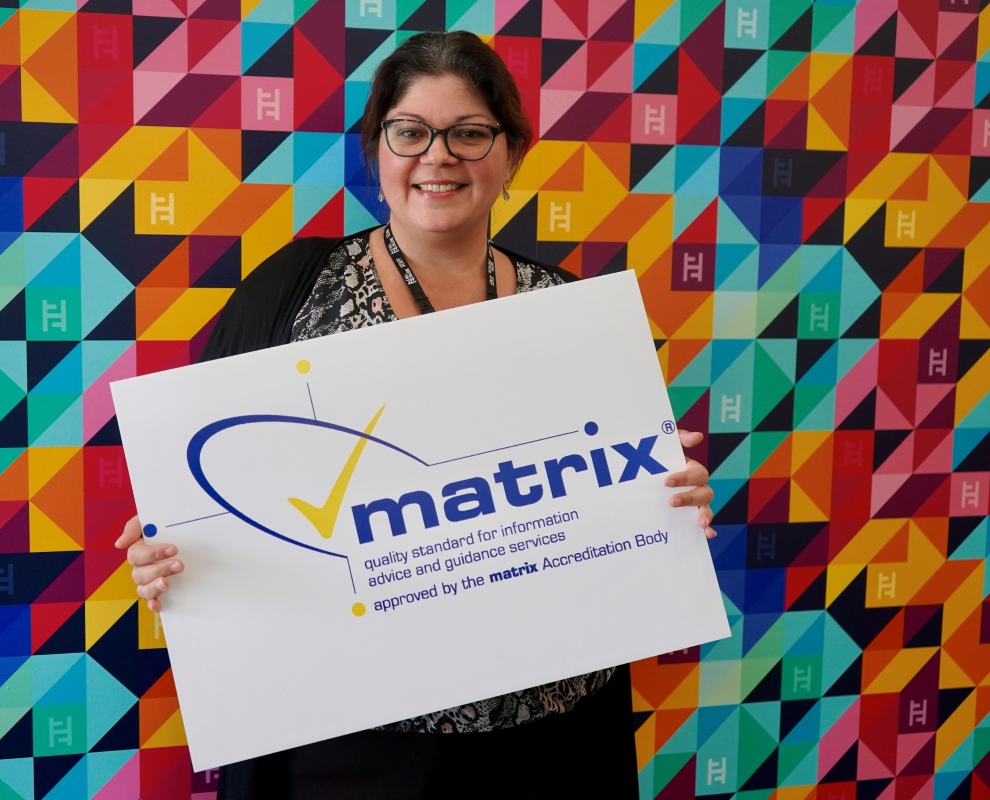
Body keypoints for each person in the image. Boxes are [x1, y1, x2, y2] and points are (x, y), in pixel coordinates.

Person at [115, 30, 716, 799]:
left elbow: (617, 494)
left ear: (512, 153)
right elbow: (208, 485)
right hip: (352, 736)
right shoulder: (293, 291)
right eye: (411, 132)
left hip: (549, 732)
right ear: (378, 149)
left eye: (469, 133)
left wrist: (670, 500)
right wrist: (167, 544)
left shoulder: (575, 313)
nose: (438, 157)